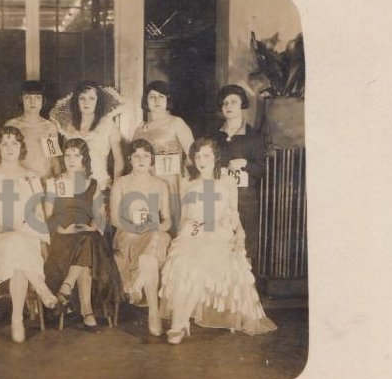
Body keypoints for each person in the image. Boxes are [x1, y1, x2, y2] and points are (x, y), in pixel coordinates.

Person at [159, 138, 276, 343]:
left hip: (218, 233)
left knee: (199, 266)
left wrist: (240, 231)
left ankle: (179, 324)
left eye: (206, 155)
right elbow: (184, 217)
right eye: (197, 156)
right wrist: (182, 238)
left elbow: (233, 212)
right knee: (181, 266)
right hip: (192, 232)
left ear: (216, 158)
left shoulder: (227, 181)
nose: (201, 160)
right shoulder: (187, 181)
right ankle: (180, 322)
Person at [0, 126, 59, 342]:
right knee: (15, 242)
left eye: (14, 143)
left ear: (21, 147)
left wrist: (43, 241)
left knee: (18, 251)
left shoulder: (31, 177)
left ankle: (16, 319)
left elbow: (38, 213)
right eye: (4, 143)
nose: (9, 147)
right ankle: (41, 289)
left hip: (27, 233)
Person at [43, 138, 120, 331]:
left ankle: (68, 286)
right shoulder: (55, 182)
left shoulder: (92, 184)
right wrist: (61, 229)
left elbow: (99, 216)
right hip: (62, 238)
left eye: (76, 155)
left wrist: (92, 227)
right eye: (67, 155)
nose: (71, 159)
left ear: (84, 158)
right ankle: (87, 311)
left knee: (88, 240)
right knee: (87, 246)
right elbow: (48, 215)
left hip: (86, 235)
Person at [109, 139, 172, 337]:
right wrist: (133, 228)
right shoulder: (121, 183)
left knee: (153, 245)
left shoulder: (160, 185)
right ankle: (153, 311)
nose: (141, 160)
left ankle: (138, 290)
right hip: (128, 234)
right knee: (148, 255)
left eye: (145, 156)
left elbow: (168, 220)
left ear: (152, 159)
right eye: (136, 156)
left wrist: (158, 226)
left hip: (152, 233)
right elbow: (114, 218)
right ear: (130, 159)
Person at [210, 84, 267, 273]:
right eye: (225, 103)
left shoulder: (254, 137)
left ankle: (246, 285)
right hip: (219, 198)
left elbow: (262, 168)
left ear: (242, 105)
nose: (229, 106)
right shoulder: (215, 137)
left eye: (234, 102)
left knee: (245, 246)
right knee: (219, 243)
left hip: (245, 199)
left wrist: (245, 163)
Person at [133, 81, 194, 232]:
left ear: (168, 100)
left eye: (161, 96)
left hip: (171, 182)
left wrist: (182, 173)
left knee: (172, 223)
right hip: (147, 182)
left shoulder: (176, 122)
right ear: (146, 101)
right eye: (152, 97)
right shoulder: (140, 128)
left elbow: (193, 154)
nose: (156, 100)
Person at [50, 80, 124, 194]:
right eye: (82, 98)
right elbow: (64, 158)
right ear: (77, 101)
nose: (86, 102)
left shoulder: (108, 124)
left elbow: (118, 160)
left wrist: (116, 188)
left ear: (98, 101)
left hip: (100, 185)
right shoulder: (69, 126)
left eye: (91, 98)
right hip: (74, 187)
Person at [5, 79, 64, 180]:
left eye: (37, 97)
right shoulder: (12, 125)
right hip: (21, 180)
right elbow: (5, 158)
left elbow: (54, 160)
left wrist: (56, 181)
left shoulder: (50, 126)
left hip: (45, 179)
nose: (33, 102)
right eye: (27, 97)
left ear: (43, 101)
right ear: (21, 100)